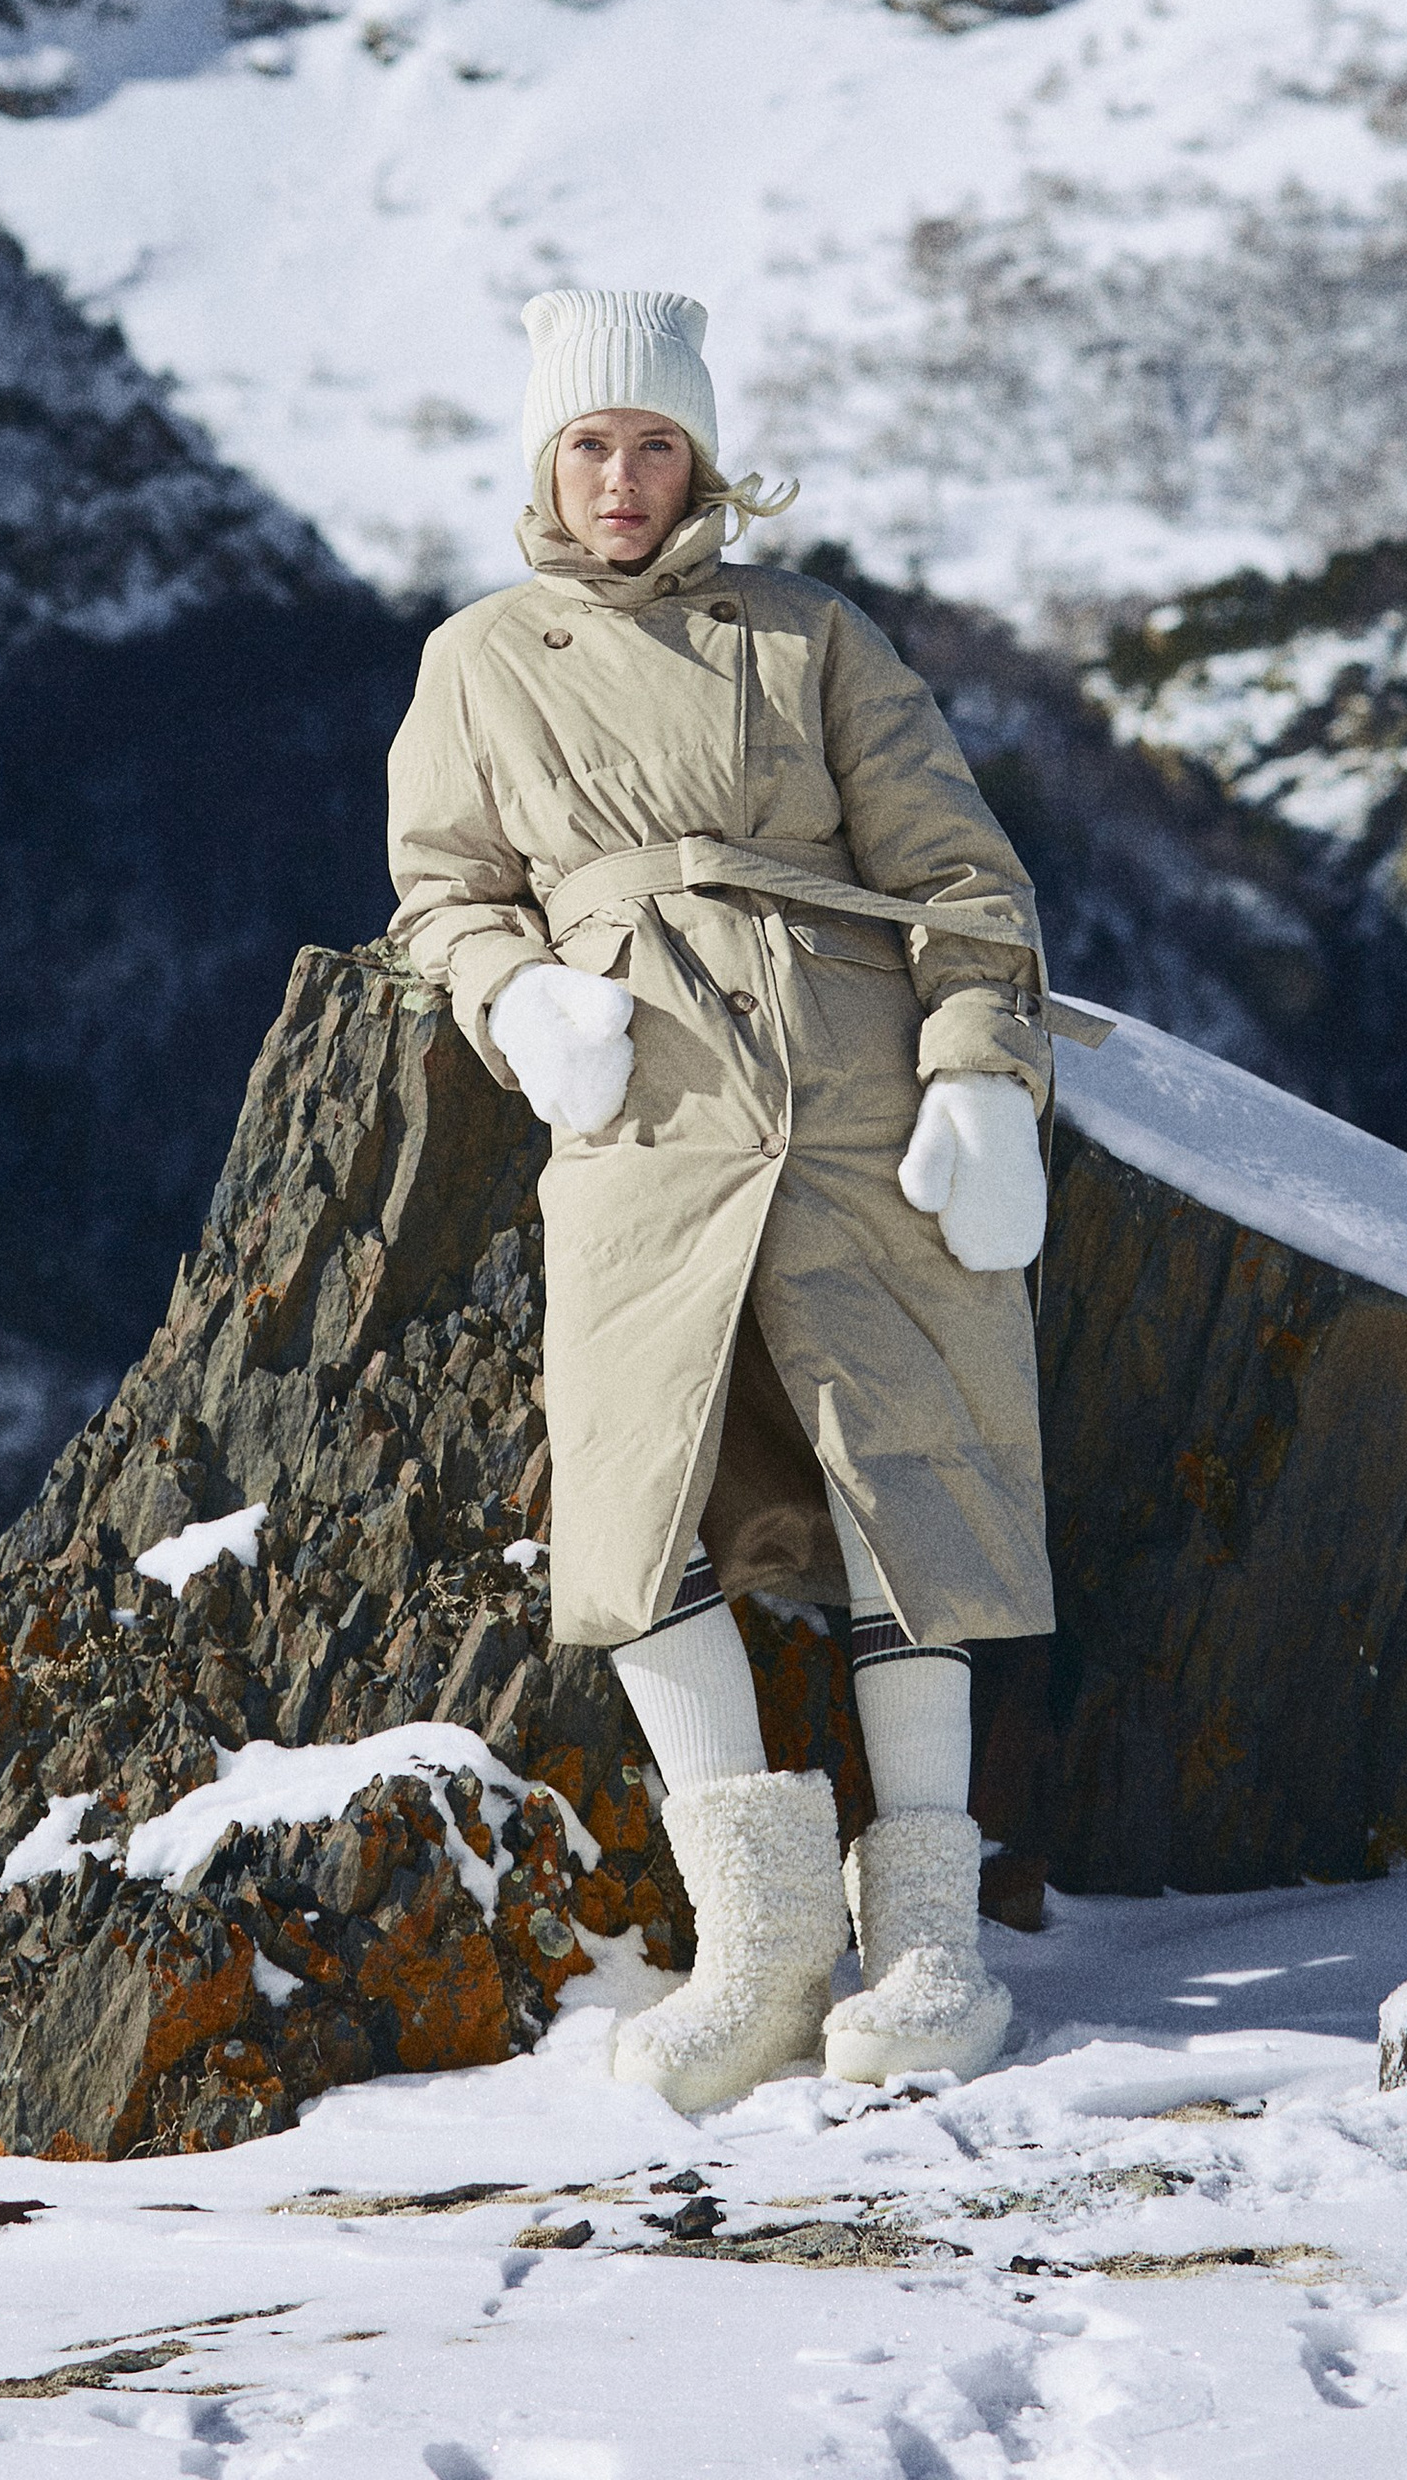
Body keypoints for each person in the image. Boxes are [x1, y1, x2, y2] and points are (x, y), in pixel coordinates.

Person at [386, 285, 1060, 2110]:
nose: (623, 477)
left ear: (703, 461)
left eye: (655, 443)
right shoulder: (477, 661)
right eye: (590, 445)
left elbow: (960, 877)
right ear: (547, 460)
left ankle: (929, 1936)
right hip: (641, 1123)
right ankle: (761, 1941)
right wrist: (518, 995)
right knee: (634, 1504)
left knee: (906, 1475)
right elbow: (440, 887)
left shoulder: (815, 635)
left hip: (855, 1109)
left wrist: (979, 1072)